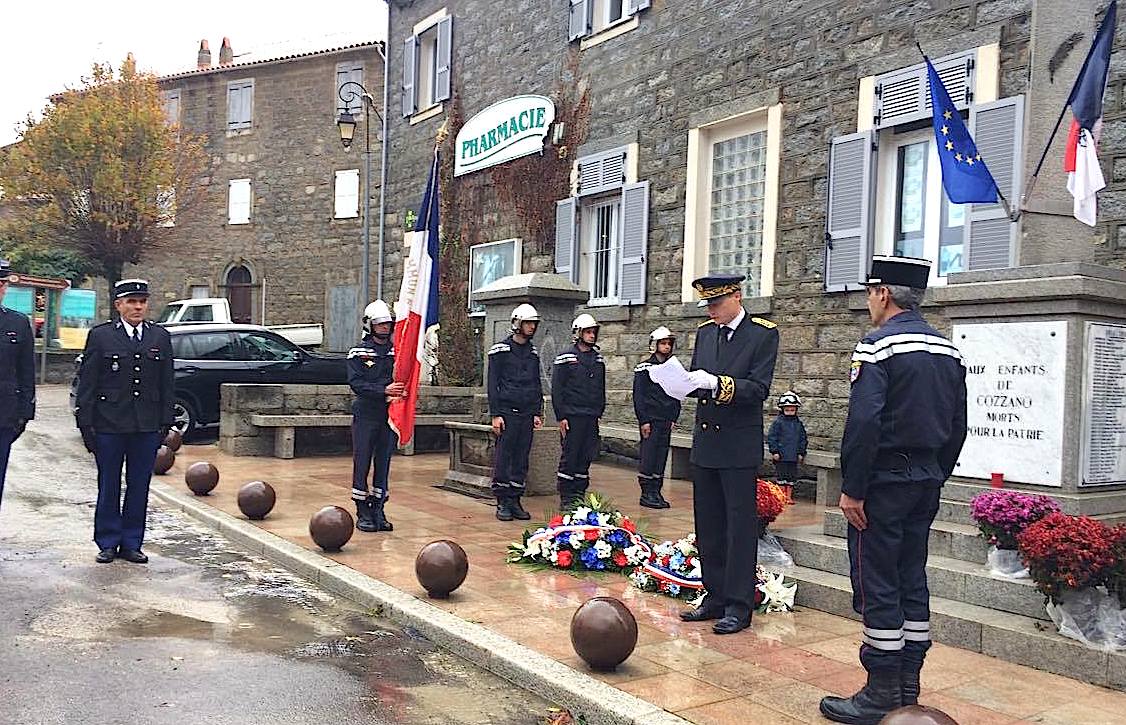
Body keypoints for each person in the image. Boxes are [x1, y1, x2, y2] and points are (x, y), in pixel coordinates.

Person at [819, 256, 967, 725]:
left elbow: (863, 423)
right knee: (911, 577)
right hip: (924, 479)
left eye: (869, 293)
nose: (868, 302)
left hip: (883, 483)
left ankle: (881, 692)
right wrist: (935, 473)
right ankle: (908, 684)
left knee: (878, 580)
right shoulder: (948, 350)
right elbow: (959, 425)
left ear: (883, 294)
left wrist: (854, 488)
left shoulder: (876, 348)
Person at [680, 274, 779, 635]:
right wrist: (678, 383)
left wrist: (716, 384)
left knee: (739, 528)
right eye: (708, 304)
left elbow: (758, 389)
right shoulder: (707, 333)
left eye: (717, 303)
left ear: (737, 296)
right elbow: (697, 380)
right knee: (709, 526)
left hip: (738, 445)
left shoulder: (763, 334)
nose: (712, 310)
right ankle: (714, 595)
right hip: (707, 442)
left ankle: (739, 604)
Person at [75, 279, 174, 564]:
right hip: (109, 424)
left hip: (145, 425)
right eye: (131, 301)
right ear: (119, 305)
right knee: (108, 484)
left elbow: (167, 383)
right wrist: (86, 424)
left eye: (142, 301)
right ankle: (107, 540)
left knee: (139, 484)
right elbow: (89, 383)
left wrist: (164, 422)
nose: (138, 307)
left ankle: (132, 542)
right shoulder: (101, 336)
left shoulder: (159, 337)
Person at [348, 300, 404, 533]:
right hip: (366, 414)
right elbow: (357, 383)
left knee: (384, 462)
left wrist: (398, 392)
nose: (384, 328)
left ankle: (379, 508)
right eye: (379, 324)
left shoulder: (397, 352)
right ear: (370, 325)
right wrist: (383, 391)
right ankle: (362, 510)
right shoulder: (358, 352)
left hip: (388, 415)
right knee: (362, 462)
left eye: (387, 324)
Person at [487, 303, 544, 521]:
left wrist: (536, 411)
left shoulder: (532, 352)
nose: (532, 327)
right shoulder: (500, 350)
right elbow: (493, 385)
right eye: (528, 323)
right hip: (507, 412)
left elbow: (535, 383)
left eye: (534, 324)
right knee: (504, 457)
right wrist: (496, 414)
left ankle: (515, 499)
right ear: (517, 324)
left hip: (527, 413)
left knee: (521, 458)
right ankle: (502, 501)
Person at [551, 313, 606, 510]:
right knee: (570, 456)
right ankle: (566, 496)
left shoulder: (598, 359)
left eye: (594, 332)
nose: (592, 336)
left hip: (590, 416)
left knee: (586, 456)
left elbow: (601, 387)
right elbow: (558, 388)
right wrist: (561, 416)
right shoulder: (566, 357)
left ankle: (579, 494)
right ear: (578, 333)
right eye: (588, 332)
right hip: (572, 416)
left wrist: (599, 411)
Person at [0, 259, 36, 513]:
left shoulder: (17, 323)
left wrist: (25, 413)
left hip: (3, 415)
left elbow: (26, 372)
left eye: (1, 284)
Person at [632, 326, 681, 509]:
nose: (666, 347)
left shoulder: (673, 367)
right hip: (650, 420)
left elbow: (676, 392)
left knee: (661, 456)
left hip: (666, 419)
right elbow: (639, 395)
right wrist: (643, 420)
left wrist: (674, 416)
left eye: (669, 344)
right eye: (663, 343)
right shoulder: (644, 368)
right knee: (649, 456)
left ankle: (656, 491)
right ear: (654, 345)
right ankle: (646, 492)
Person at [767, 390, 807, 486]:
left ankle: (788, 496)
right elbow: (772, 437)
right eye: (787, 410)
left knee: (792, 477)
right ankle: (781, 496)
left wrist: (801, 452)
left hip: (793, 456)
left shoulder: (798, 424)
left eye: (792, 410)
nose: (789, 412)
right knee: (781, 476)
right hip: (781, 456)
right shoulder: (778, 423)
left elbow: (803, 438)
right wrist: (774, 451)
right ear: (782, 409)